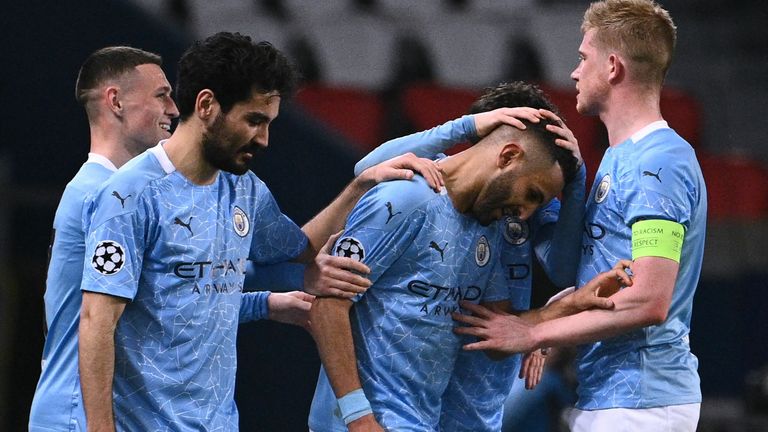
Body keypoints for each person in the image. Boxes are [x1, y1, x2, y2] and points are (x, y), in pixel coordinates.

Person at [77, 32, 441, 431]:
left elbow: (297, 249)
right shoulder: (129, 195)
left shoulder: (244, 189)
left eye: (269, 123)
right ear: (207, 105)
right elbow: (97, 322)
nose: (264, 139)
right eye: (254, 120)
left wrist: (360, 186)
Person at [453, 1, 707, 431]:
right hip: (609, 394)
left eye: (583, 57)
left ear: (612, 67)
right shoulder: (619, 159)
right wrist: (553, 314)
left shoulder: (659, 164)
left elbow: (650, 299)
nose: (574, 71)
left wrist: (534, 333)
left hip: (642, 400)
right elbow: (582, 273)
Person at [308, 108, 594, 431]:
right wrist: (359, 417)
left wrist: (548, 321)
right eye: (531, 195)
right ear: (508, 155)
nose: (525, 215)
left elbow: (494, 332)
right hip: (363, 421)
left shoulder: (487, 230)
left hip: (422, 421)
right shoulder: (408, 195)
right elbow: (328, 306)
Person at [28, 46, 180, 432]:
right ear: (115, 101)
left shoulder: (105, 191)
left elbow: (164, 299)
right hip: (77, 413)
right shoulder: (101, 196)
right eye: (161, 95)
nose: (174, 110)